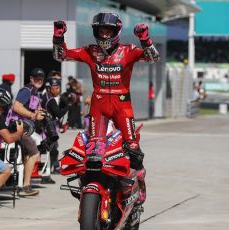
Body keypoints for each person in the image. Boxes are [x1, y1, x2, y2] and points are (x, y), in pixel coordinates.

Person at [53, 13, 160, 205]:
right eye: (101, 31)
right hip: (98, 106)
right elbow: (61, 55)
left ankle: (139, 180)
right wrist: (58, 37)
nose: (104, 35)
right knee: (95, 149)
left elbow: (153, 58)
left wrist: (145, 38)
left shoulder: (128, 50)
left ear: (116, 32)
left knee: (133, 148)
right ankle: (94, 188)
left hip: (122, 106)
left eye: (108, 31)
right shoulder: (90, 51)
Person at [9, 67, 46, 196]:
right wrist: (33, 115)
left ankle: (22, 184)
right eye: (37, 78)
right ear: (31, 78)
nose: (39, 81)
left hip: (24, 127)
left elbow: (30, 110)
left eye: (41, 79)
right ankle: (26, 186)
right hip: (17, 126)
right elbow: (16, 106)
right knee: (34, 153)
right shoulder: (27, 90)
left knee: (27, 155)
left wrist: (39, 114)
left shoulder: (35, 92)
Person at [40, 77, 71, 182]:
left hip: (47, 127)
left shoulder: (45, 97)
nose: (59, 90)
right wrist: (68, 106)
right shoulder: (50, 100)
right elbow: (58, 114)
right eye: (56, 88)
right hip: (47, 130)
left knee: (49, 151)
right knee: (48, 152)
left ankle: (47, 173)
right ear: (49, 88)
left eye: (59, 87)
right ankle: (45, 175)